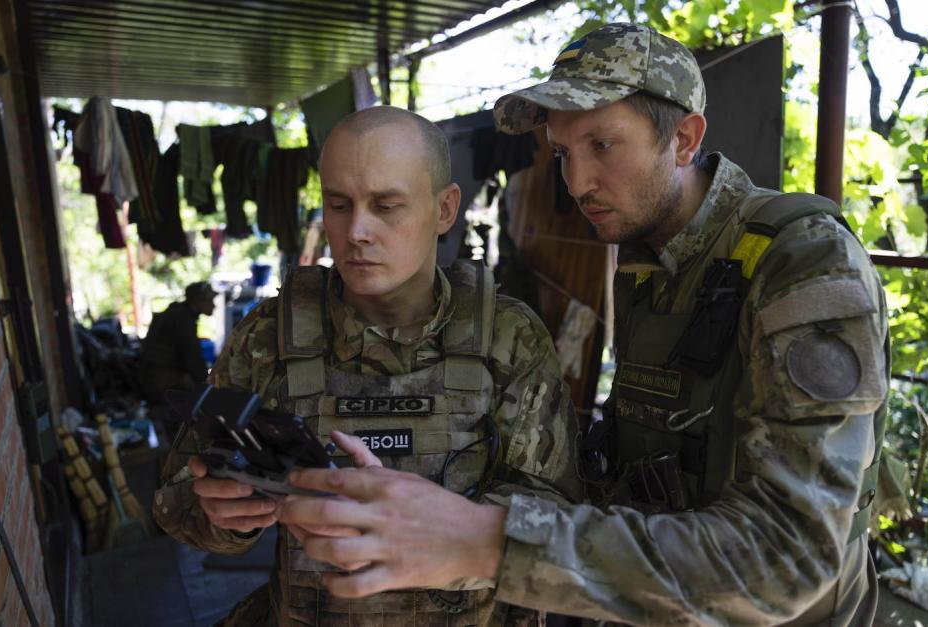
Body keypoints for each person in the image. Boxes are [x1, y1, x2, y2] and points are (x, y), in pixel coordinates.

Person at [277, 23, 890, 626]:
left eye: (601, 145)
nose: (575, 183)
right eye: (564, 153)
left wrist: (487, 540)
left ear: (683, 139)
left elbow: (789, 557)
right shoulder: (652, 260)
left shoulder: (802, 261)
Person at [152, 105, 582, 626]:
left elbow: (562, 521)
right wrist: (227, 515)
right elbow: (177, 498)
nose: (356, 230)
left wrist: (444, 521)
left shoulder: (508, 339)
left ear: (445, 209)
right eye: (339, 204)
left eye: (386, 205)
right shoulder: (268, 336)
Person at [139, 280, 216, 404]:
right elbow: (192, 358)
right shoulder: (182, 319)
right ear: (197, 301)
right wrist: (208, 382)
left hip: (152, 375)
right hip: (160, 379)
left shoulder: (178, 313)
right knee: (204, 398)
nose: (214, 305)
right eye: (210, 300)